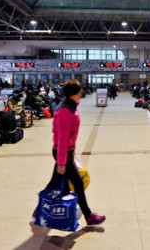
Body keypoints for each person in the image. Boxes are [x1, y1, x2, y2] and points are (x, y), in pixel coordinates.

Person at [34, 79, 106, 226]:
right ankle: (89, 216)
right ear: (74, 93)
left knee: (54, 183)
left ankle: (39, 209)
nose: (81, 93)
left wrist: (71, 152)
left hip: (66, 152)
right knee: (78, 184)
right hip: (63, 153)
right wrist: (62, 162)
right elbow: (62, 139)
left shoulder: (69, 106)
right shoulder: (66, 111)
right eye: (80, 91)